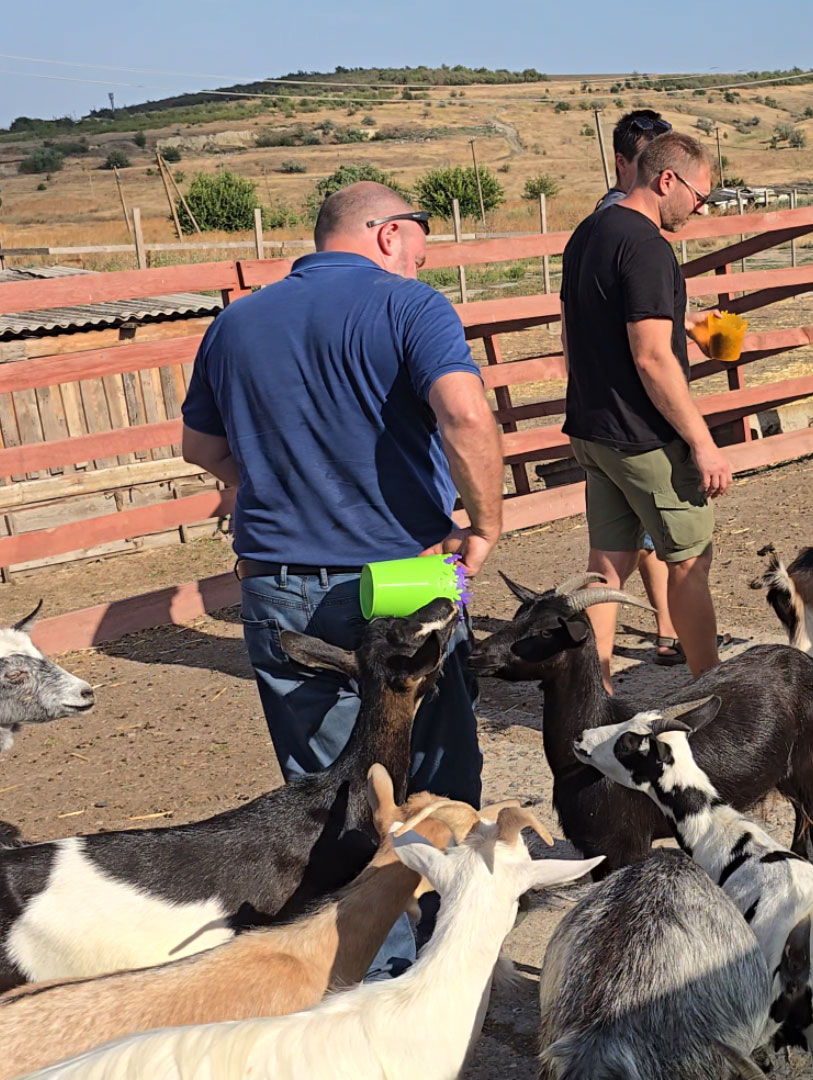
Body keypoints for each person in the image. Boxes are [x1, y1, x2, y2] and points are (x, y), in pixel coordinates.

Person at [181, 181, 503, 807]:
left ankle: (356, 900)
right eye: (418, 249)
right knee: (439, 773)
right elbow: (465, 417)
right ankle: (441, 898)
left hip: (279, 582)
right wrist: (485, 525)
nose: (419, 263)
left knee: (327, 795)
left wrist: (279, 480)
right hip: (406, 571)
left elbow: (200, 449)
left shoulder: (234, 322)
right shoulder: (412, 306)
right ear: (389, 233)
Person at [560, 131, 729, 682]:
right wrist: (702, 443)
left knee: (606, 566)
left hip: (593, 428)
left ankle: (595, 685)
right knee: (689, 559)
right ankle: (712, 690)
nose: (699, 209)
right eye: (699, 197)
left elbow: (572, 330)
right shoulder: (648, 246)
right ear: (666, 181)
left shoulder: (588, 233)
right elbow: (654, 358)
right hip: (643, 437)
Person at [592, 108, 684, 665]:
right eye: (648, 163)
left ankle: (661, 638)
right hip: (632, 415)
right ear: (626, 163)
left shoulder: (611, 228)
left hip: (607, 415)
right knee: (681, 546)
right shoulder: (623, 228)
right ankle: (695, 660)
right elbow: (644, 351)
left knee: (622, 545)